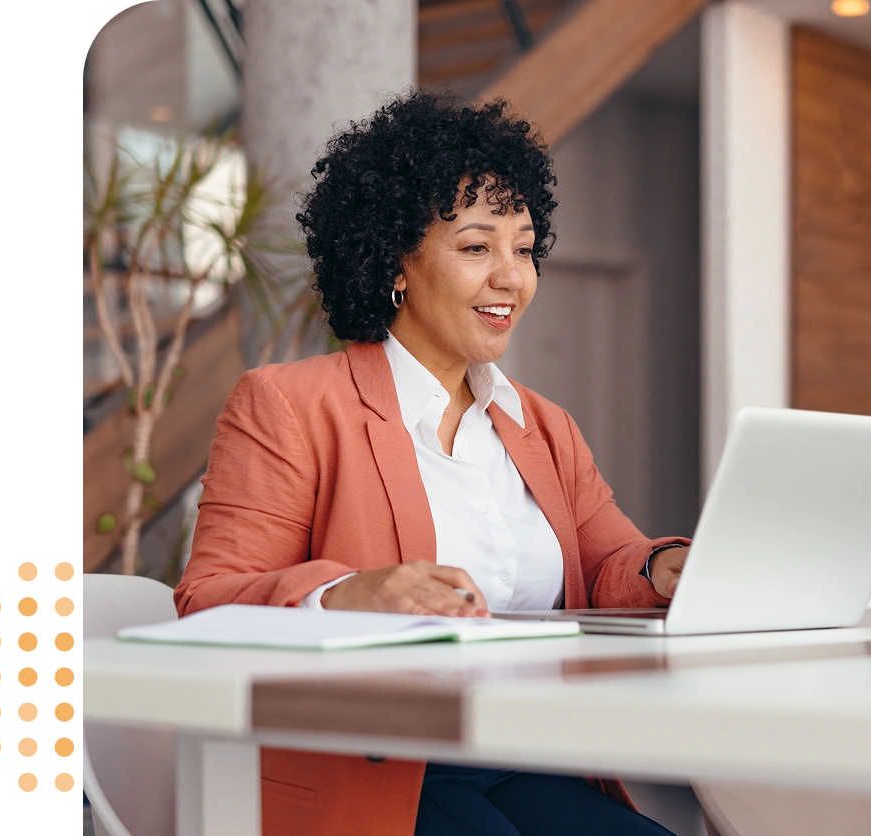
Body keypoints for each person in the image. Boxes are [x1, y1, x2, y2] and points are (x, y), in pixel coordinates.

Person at [176, 90, 692, 836]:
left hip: (527, 750)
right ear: (396, 262)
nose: (512, 279)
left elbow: (608, 559)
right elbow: (206, 599)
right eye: (477, 247)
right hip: (374, 762)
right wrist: (351, 592)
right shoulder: (289, 405)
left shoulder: (543, 427)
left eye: (523, 248)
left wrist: (662, 566)